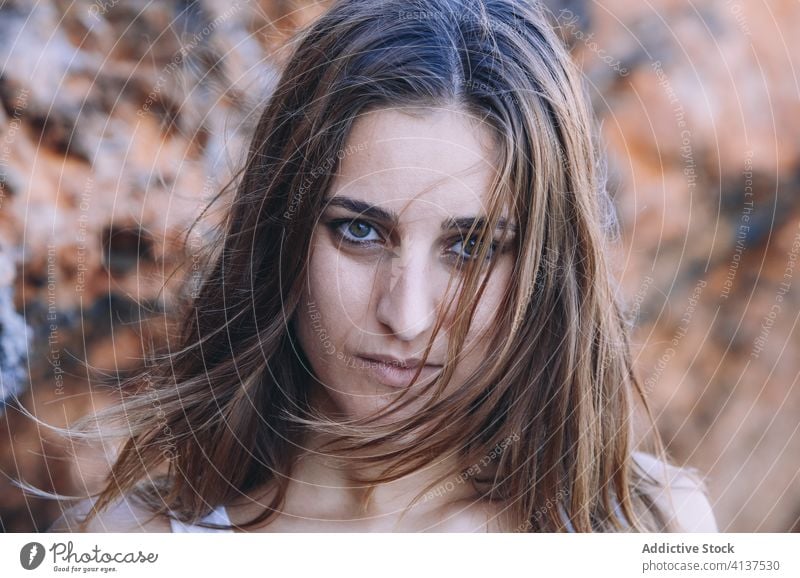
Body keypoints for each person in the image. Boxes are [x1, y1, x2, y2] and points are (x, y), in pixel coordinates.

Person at [38, 0, 717, 533]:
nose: (407, 313)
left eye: (472, 247)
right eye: (360, 231)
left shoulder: (645, 530)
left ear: (546, 265)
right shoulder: (135, 544)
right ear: (282, 232)